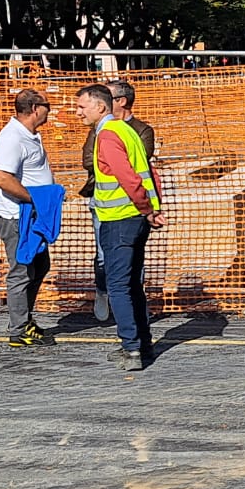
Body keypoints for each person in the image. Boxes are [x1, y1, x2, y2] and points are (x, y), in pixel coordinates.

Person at [75, 84, 164, 371]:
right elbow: (148, 173)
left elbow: (128, 177)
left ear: (101, 107)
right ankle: (143, 343)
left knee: (118, 286)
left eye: (81, 107)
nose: (78, 113)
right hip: (135, 219)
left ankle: (131, 348)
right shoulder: (128, 130)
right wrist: (151, 210)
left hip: (119, 219)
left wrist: (145, 207)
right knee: (133, 284)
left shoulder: (109, 134)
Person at [81, 80, 155, 323]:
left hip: (125, 212)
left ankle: (131, 339)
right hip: (109, 206)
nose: (79, 112)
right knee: (105, 260)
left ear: (118, 102)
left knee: (125, 274)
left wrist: (146, 206)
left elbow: (132, 169)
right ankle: (132, 328)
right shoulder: (101, 130)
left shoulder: (128, 131)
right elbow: (89, 160)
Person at [0, 88, 58, 348]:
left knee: (40, 266)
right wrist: (35, 199)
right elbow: (3, 179)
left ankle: (24, 318)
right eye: (47, 106)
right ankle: (18, 330)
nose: (49, 111)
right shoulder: (12, 139)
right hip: (17, 217)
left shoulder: (29, 135)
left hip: (31, 216)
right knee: (21, 271)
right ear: (35, 109)